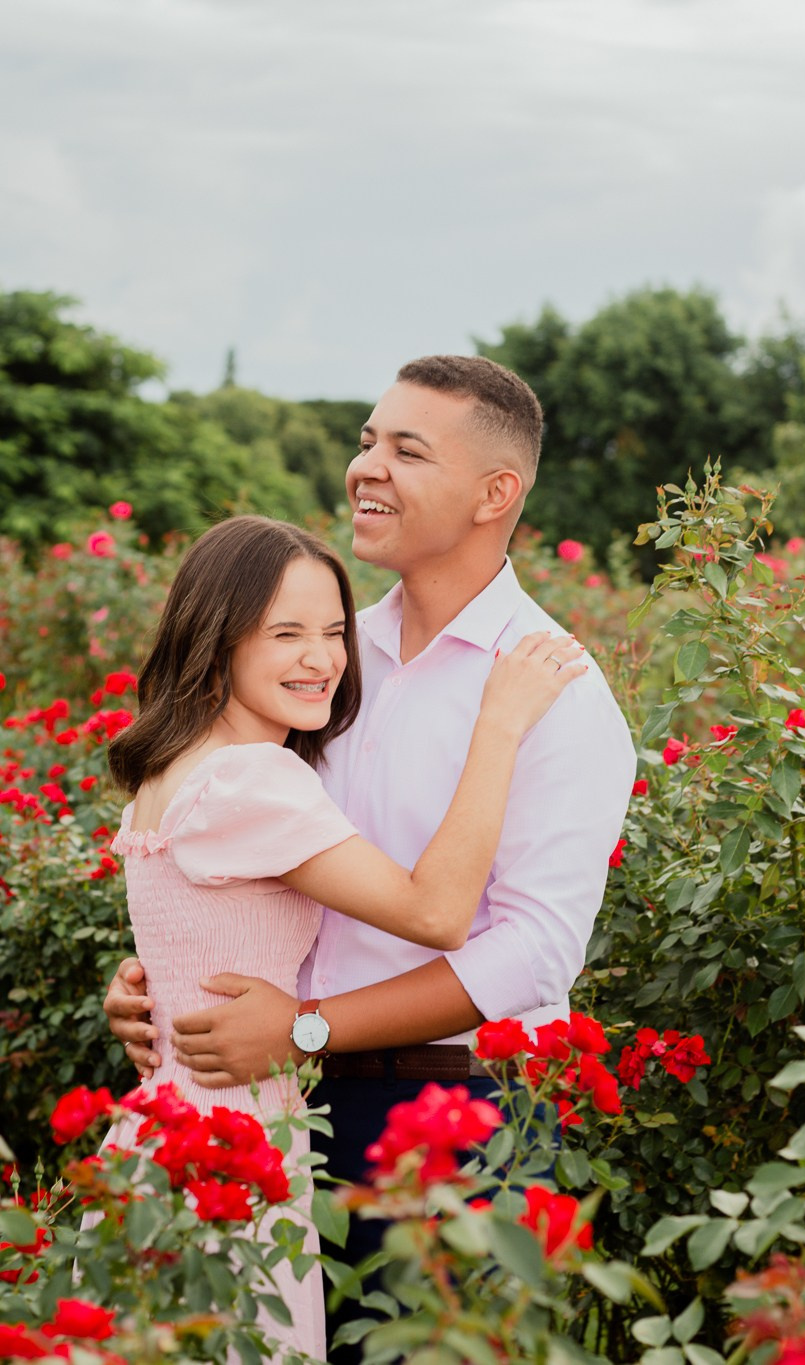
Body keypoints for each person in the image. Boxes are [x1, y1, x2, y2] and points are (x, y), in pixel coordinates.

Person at [105, 355, 636, 1356]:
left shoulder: (552, 690)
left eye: (406, 449)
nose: (366, 468)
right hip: (282, 1109)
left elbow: (532, 951)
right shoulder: (317, 657)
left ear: (496, 494)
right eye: (364, 440)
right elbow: (241, 848)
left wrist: (304, 1028)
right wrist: (164, 976)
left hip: (452, 1116)